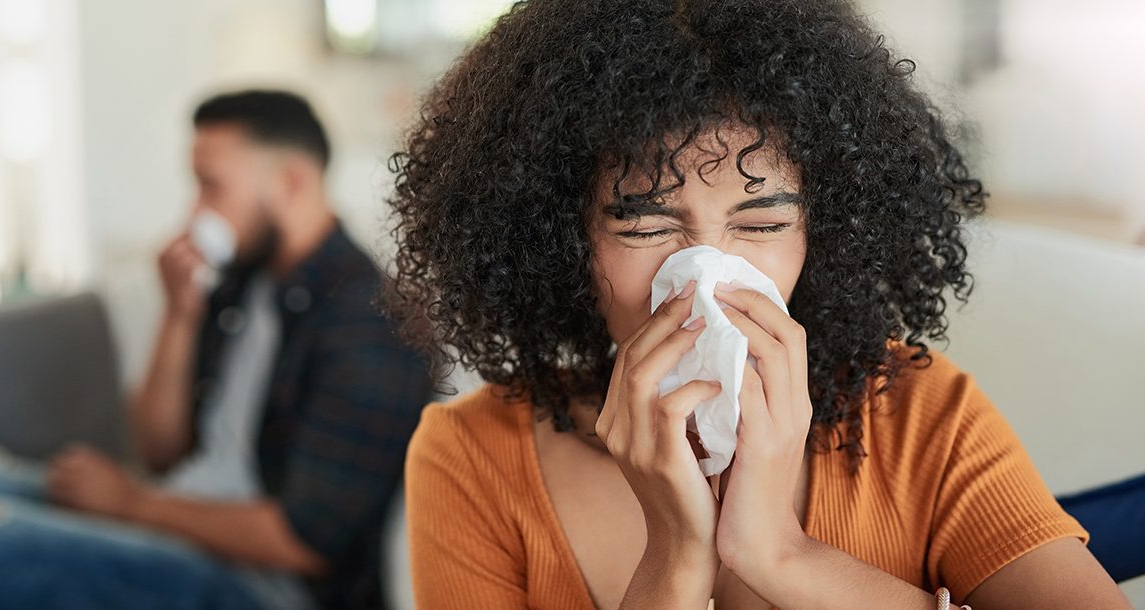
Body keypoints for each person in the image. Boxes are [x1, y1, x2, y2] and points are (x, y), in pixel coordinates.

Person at [384, 1, 1131, 608]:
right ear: (560, 237)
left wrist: (778, 553)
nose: (707, 275)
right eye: (646, 224)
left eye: (764, 224)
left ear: (824, 233)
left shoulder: (919, 414)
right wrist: (675, 559)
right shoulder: (471, 456)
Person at [0, 90, 432, 609]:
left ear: (291, 181)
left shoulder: (369, 320)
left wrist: (131, 504)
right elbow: (159, 452)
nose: (195, 210)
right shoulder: (243, 285)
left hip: (263, 586)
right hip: (175, 520)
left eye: (211, 187)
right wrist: (179, 314)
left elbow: (304, 542)